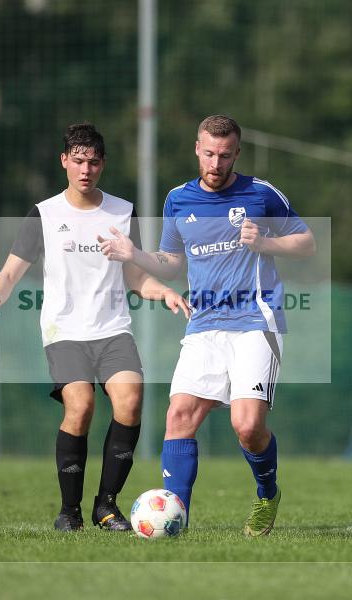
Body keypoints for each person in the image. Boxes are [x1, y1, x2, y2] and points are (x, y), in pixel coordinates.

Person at [98, 115, 315, 537]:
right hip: (204, 324)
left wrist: (266, 242)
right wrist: (132, 254)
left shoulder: (261, 193)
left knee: (247, 426)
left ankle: (267, 494)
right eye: (209, 153)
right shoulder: (178, 199)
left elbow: (306, 242)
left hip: (257, 321)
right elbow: (172, 263)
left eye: (225, 155)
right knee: (179, 414)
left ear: (237, 153)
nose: (216, 163)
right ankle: (174, 519)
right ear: (197, 149)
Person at [0, 123, 190, 532]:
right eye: (78, 161)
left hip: (113, 329)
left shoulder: (123, 211)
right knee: (82, 406)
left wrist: (163, 292)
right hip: (65, 332)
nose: (85, 169)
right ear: (64, 161)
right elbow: (8, 273)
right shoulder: (44, 214)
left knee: (130, 401)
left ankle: (106, 507)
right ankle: (69, 511)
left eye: (93, 162)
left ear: (103, 164)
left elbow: (135, 278)